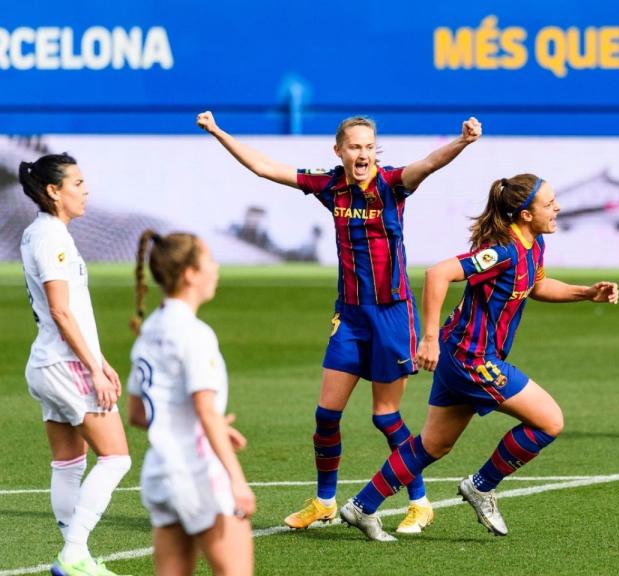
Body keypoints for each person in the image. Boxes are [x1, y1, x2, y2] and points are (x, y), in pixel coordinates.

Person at [196, 111, 482, 533]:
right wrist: (219, 132)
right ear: (339, 151)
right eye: (355, 147)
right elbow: (265, 168)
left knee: (385, 417)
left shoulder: (392, 184)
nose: (363, 154)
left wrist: (462, 142)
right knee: (326, 415)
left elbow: (428, 163)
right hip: (349, 315)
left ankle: (420, 502)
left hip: (390, 314)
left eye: (369, 147)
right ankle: (324, 501)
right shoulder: (330, 184)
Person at [335, 173, 619, 541]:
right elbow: (438, 274)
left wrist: (586, 293)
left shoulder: (533, 245)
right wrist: (430, 338)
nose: (558, 207)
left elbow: (537, 285)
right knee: (549, 421)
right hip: (472, 358)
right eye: (549, 203)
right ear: (525, 214)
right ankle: (481, 486)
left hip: (464, 355)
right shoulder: (501, 252)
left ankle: (361, 506)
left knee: (434, 444)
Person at [19, 153, 132, 576]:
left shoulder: (39, 233)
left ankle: (75, 553)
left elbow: (67, 315)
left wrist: (100, 359)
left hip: (49, 362)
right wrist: (94, 369)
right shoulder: (52, 237)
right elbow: (61, 311)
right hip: (65, 364)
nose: (85, 191)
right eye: (78, 183)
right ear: (54, 191)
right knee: (117, 458)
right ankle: (74, 553)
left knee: (69, 461)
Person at [127, 230, 255, 576]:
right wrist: (238, 480)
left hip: (160, 475)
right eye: (209, 261)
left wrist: (197, 424)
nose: (216, 269)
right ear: (190, 274)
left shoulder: (149, 328)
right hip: (198, 474)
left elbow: (138, 413)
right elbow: (205, 409)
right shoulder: (195, 333)